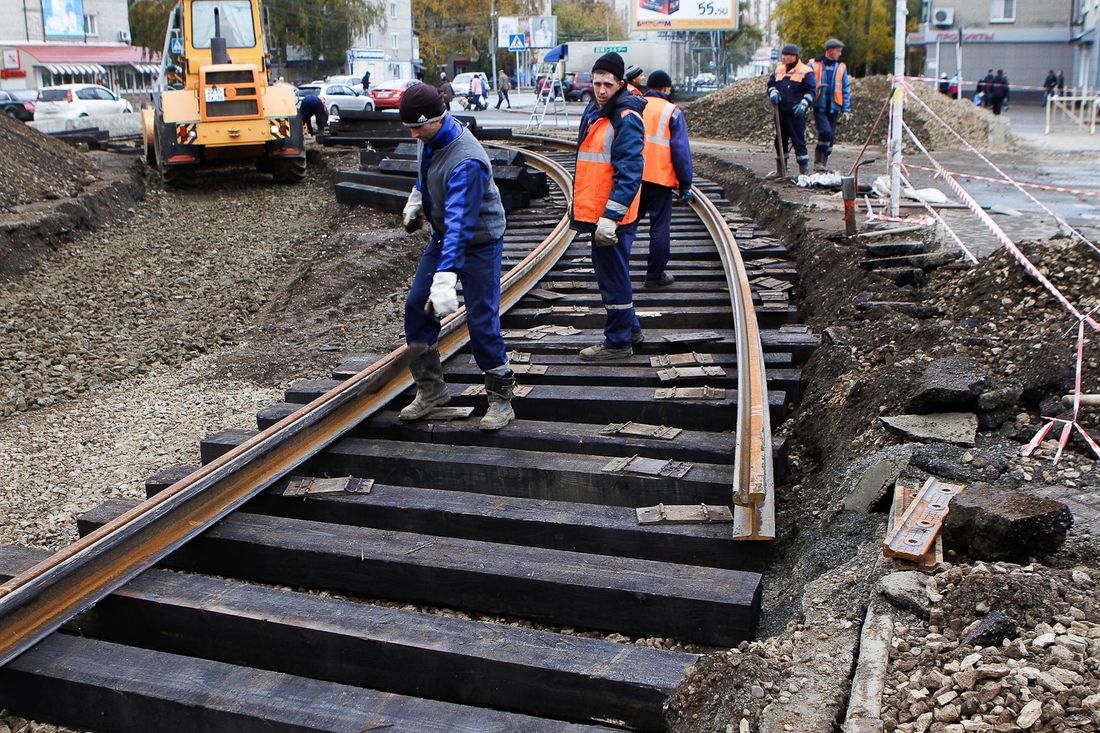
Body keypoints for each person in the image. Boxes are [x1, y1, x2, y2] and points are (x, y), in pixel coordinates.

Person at [396, 83, 515, 431]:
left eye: (418, 127)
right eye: (410, 128)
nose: (414, 134)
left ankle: (501, 398)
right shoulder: (428, 137)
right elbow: (425, 173)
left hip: (479, 240)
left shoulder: (467, 160)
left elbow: (463, 224)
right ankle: (431, 391)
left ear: (439, 118)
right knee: (417, 305)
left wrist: (446, 277)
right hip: (444, 233)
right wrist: (417, 199)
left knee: (480, 319)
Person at [572, 51, 646, 361]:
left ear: (621, 84)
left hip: (612, 217)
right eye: (597, 83)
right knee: (615, 275)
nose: (601, 90)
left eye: (608, 84)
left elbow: (630, 174)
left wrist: (610, 219)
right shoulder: (598, 109)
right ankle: (631, 330)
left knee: (613, 279)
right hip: (600, 212)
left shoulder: (625, 118)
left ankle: (617, 342)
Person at [639, 69, 693, 289]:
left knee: (626, 227)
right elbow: (680, 151)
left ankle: (619, 271)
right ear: (666, 88)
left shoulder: (633, 106)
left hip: (633, 178)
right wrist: (685, 183)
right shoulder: (672, 111)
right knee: (659, 227)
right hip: (660, 179)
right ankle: (654, 275)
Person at [766, 44, 816, 176]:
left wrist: (804, 104)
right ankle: (781, 170)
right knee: (780, 141)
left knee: (798, 141)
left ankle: (804, 173)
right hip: (780, 113)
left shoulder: (805, 71)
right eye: (783, 55)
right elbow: (771, 84)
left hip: (795, 114)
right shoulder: (779, 69)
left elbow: (811, 90)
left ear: (794, 56)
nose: (784, 57)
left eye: (787, 55)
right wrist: (773, 92)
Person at [809, 38, 850, 172]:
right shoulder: (814, 65)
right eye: (838, 51)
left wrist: (846, 108)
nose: (840, 54)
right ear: (830, 51)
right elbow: (806, 82)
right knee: (825, 133)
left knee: (830, 139)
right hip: (819, 105)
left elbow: (845, 88)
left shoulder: (841, 67)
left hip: (833, 107)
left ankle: (823, 164)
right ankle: (818, 162)